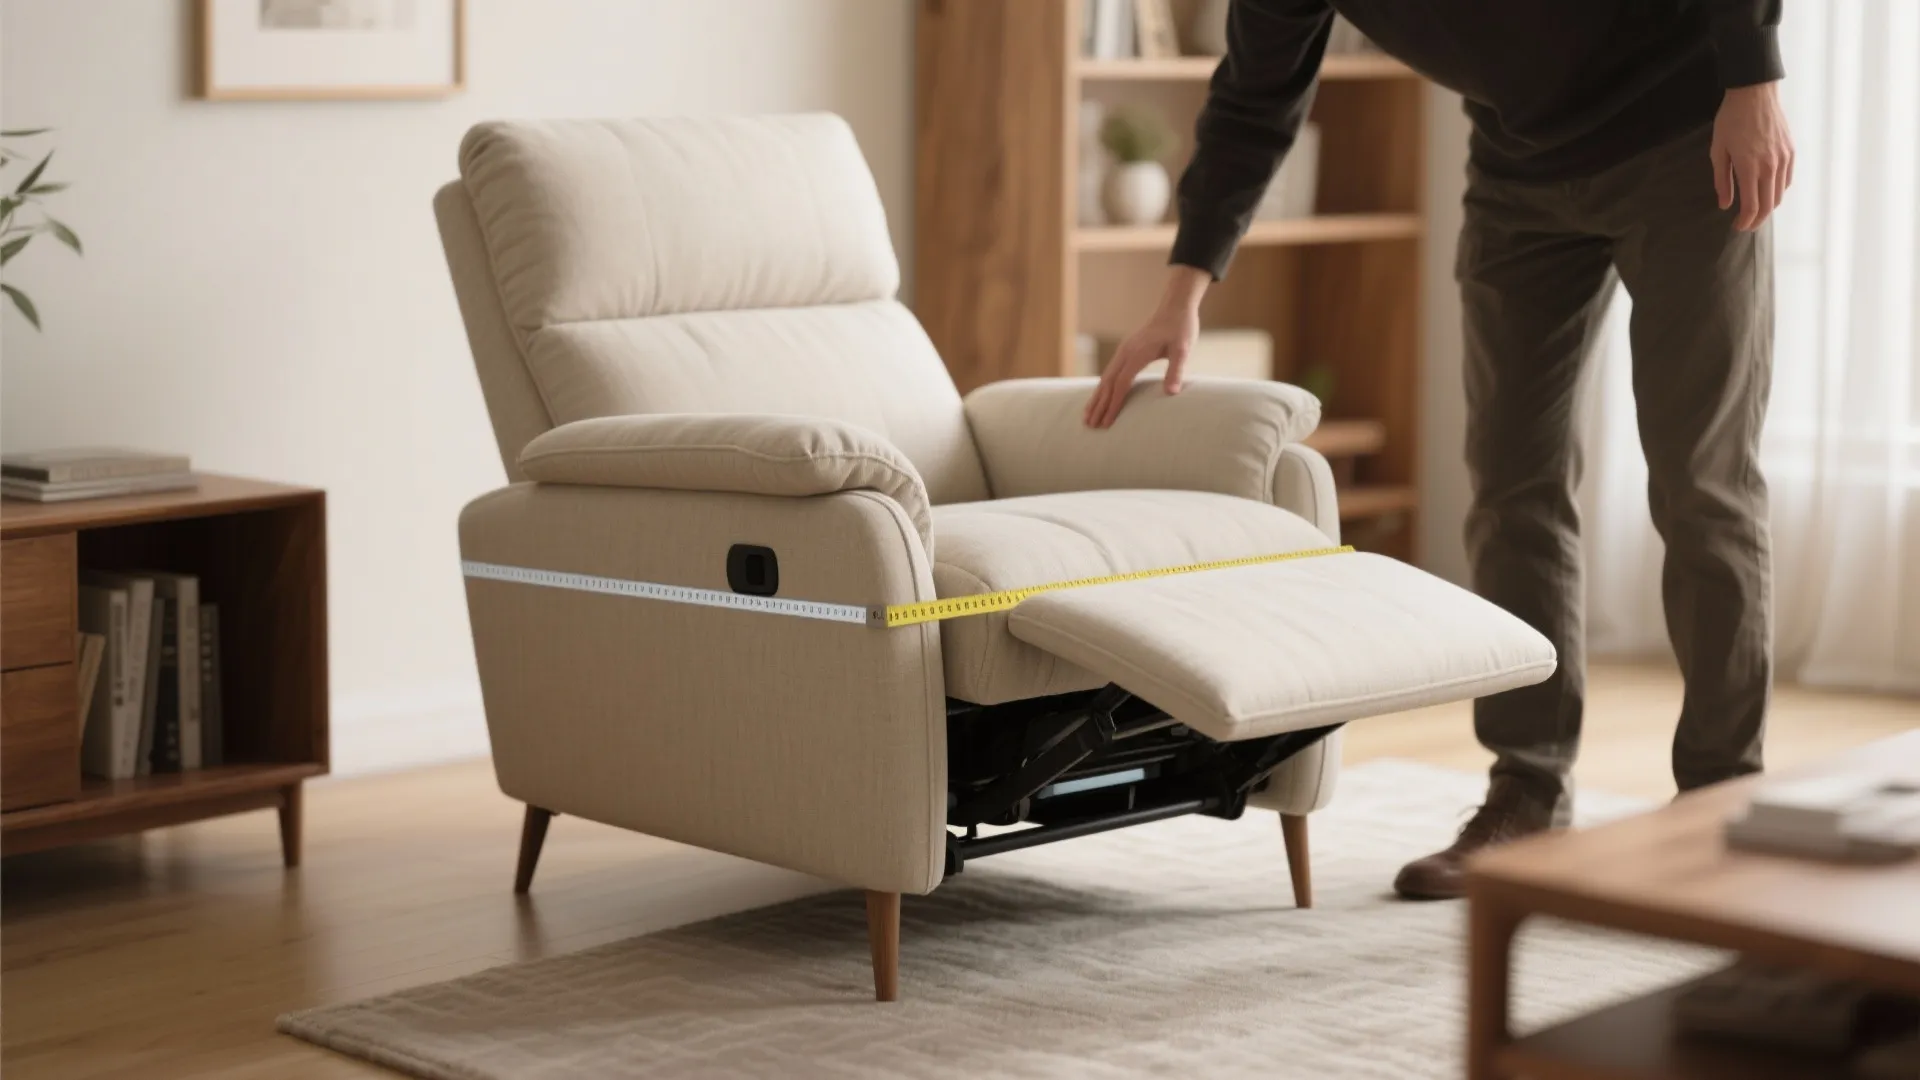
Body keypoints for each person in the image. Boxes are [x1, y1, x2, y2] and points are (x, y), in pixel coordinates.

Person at [1086, 1, 1792, 900]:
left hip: (1685, 129)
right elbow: (1257, 95)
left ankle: (1721, 802)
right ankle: (1526, 788)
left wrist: (1753, 74)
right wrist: (1183, 289)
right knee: (1510, 485)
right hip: (1519, 167)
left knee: (1703, 483)